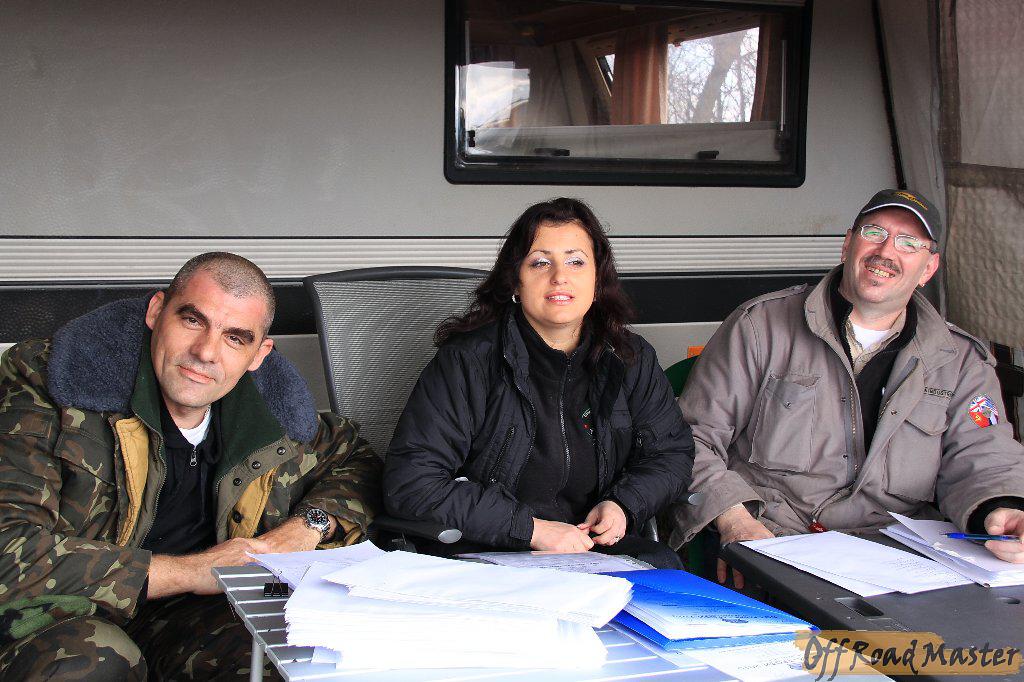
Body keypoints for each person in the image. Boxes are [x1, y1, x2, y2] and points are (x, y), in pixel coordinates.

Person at [0, 252, 382, 680]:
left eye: (235, 338)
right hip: (59, 615)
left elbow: (358, 461)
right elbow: (9, 548)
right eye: (192, 320)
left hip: (186, 618)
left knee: (296, 652)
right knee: (98, 659)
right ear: (156, 311)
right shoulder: (51, 384)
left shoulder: (276, 416)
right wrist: (192, 571)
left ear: (259, 354)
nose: (205, 352)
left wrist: (308, 526)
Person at [669, 189, 1024, 588]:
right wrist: (735, 520)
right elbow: (690, 438)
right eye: (875, 233)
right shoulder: (760, 326)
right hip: (776, 542)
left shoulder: (959, 359)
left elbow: (985, 456)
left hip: (903, 560)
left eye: (909, 243)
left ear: (928, 268)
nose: (886, 252)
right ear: (847, 244)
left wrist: (1002, 508)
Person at [383, 198, 694, 568]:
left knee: (670, 577)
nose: (559, 276)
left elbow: (671, 454)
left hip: (593, 550)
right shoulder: (468, 360)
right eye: (540, 262)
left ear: (597, 280)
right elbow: (413, 481)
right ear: (516, 280)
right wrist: (531, 529)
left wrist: (623, 504)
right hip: (488, 552)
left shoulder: (629, 357)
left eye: (576, 261)